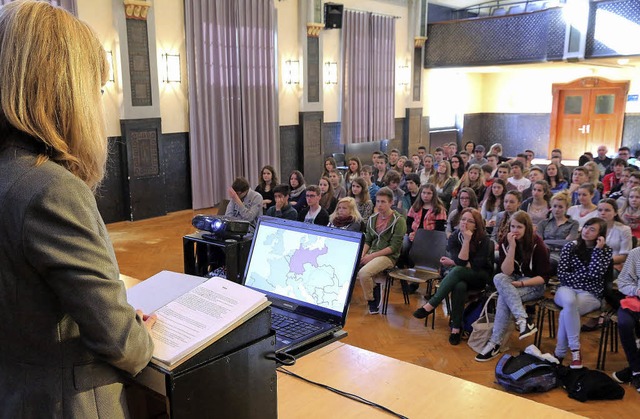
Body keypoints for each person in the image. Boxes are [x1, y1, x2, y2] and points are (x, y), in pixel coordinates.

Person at [0, 2, 155, 416]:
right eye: (97, 89)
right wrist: (133, 329)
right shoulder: (52, 190)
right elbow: (124, 345)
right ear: (68, 92)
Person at [475, 211, 551, 361]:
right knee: (498, 277)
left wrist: (522, 283)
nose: (515, 230)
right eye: (512, 226)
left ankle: (494, 343)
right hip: (513, 281)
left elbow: (543, 278)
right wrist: (512, 248)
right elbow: (507, 271)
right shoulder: (506, 241)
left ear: (527, 228)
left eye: (519, 227)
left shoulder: (538, 244)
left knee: (504, 298)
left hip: (533, 284)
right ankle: (523, 320)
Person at [413, 209, 493, 345]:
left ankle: (432, 303)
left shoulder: (484, 239)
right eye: (463, 219)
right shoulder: (455, 237)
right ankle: (456, 328)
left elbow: (477, 265)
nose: (465, 223)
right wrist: (466, 241)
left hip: (481, 277)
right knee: (459, 285)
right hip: (462, 275)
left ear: (477, 225)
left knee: (456, 270)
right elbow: (462, 262)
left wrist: (467, 241)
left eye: (470, 221)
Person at [554, 217, 613, 368]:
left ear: (601, 235)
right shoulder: (570, 247)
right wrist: (582, 279)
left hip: (590, 295)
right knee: (569, 302)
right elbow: (561, 275)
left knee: (567, 312)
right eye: (586, 226)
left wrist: (597, 252)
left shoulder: (605, 251)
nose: (586, 230)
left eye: (592, 229)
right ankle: (575, 350)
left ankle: (559, 354)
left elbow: (596, 274)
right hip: (565, 290)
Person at [357, 187, 407, 314]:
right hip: (371, 252)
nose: (379, 205)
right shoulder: (372, 218)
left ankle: (371, 299)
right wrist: (362, 254)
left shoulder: (399, 220)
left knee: (364, 273)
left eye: (383, 202)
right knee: (350, 265)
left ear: (391, 203)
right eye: (378, 201)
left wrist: (372, 256)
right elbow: (367, 240)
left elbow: (394, 247)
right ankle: (374, 286)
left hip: (388, 256)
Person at [611, 246, 640, 391]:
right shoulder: (636, 253)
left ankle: (634, 371)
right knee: (624, 323)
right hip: (635, 300)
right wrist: (636, 290)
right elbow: (623, 282)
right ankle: (636, 369)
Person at [537, 191, 580, 272]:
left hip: (562, 256)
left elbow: (569, 243)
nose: (557, 209)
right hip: (544, 254)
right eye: (555, 206)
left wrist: (546, 241)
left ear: (566, 208)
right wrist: (561, 241)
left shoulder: (573, 224)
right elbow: (539, 242)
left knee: (548, 264)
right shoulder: (543, 223)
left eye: (560, 207)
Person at [597, 198, 632, 272]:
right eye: (600, 210)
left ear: (615, 213)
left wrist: (603, 262)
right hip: (594, 263)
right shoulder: (592, 228)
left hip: (615, 265)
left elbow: (624, 256)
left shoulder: (624, 229)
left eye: (607, 210)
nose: (602, 213)